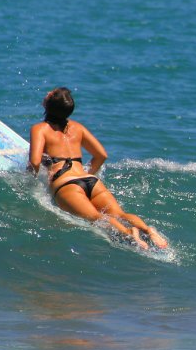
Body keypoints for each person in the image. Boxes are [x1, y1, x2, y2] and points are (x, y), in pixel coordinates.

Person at [28, 87, 167, 250]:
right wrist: (87, 174)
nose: (47, 93)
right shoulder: (77, 127)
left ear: (49, 104)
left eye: (50, 93)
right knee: (119, 214)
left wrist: (30, 181)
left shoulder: (40, 128)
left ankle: (129, 233)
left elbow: (35, 162)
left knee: (96, 217)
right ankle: (148, 230)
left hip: (66, 184)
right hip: (91, 180)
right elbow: (101, 155)